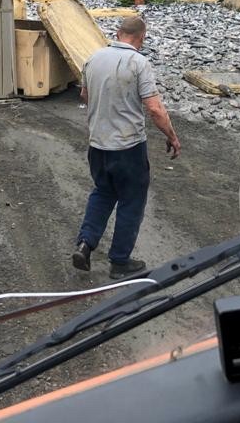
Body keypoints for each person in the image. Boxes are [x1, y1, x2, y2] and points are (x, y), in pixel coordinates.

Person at [72, 16, 181, 279]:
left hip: (98, 145)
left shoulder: (93, 59)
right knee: (131, 201)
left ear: (118, 33)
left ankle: (85, 245)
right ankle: (120, 261)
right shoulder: (138, 63)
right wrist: (172, 136)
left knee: (103, 192)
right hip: (128, 147)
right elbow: (154, 108)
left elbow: (85, 96)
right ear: (140, 38)